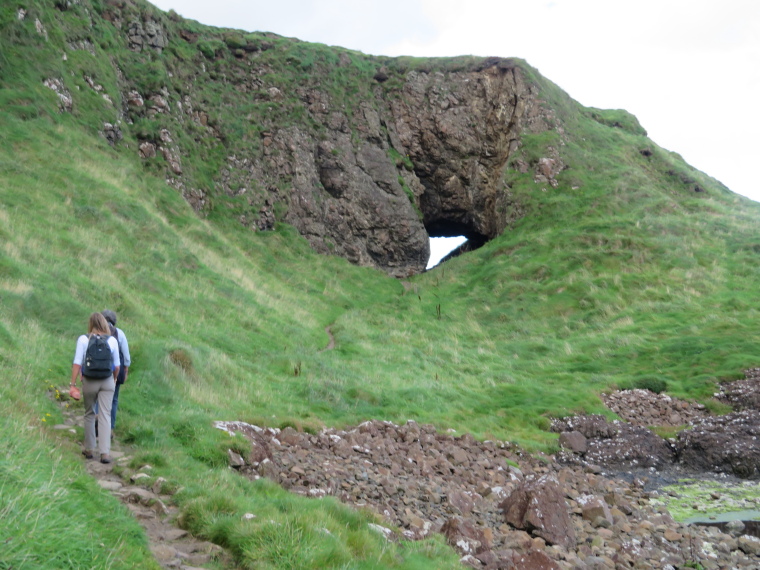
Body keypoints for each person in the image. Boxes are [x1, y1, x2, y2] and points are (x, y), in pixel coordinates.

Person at [70, 312, 120, 464]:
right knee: (105, 414)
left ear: (90, 324)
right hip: (107, 381)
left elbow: (77, 362)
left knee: (89, 413)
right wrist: (114, 378)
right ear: (105, 324)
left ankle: (89, 449)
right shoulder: (112, 340)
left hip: (90, 380)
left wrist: (73, 384)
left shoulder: (84, 339)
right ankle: (105, 453)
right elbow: (117, 365)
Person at [101, 309, 130, 431]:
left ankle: (98, 426)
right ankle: (110, 428)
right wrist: (126, 369)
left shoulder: (96, 332)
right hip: (115, 371)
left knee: (99, 398)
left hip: (99, 370)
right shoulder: (119, 333)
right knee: (114, 399)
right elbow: (126, 355)